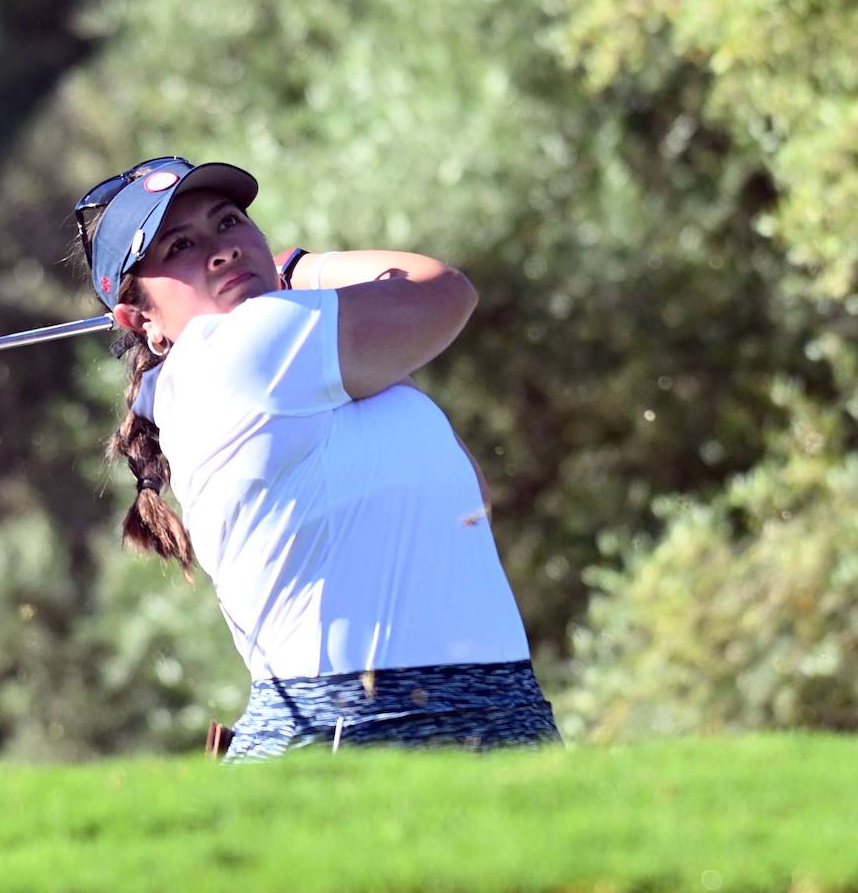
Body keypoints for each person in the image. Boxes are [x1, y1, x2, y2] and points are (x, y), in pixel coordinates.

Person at [73, 155, 560, 761]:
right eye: (180, 247)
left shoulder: (298, 363)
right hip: (358, 728)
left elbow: (468, 502)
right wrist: (302, 267)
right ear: (141, 320)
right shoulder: (230, 354)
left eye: (228, 224)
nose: (220, 250)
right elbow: (441, 290)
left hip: (499, 709)